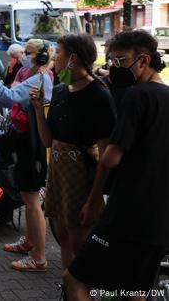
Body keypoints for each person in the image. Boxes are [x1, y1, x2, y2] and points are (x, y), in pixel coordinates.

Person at [64, 30, 169, 299]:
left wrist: (95, 195)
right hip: (159, 218)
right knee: (134, 291)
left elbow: (111, 158)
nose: (114, 68)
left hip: (128, 214)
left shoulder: (137, 97)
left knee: (74, 279)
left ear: (143, 61)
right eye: (110, 61)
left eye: (120, 61)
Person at [28, 34, 115, 273]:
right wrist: (38, 110)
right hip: (57, 172)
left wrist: (94, 198)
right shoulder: (59, 91)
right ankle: (69, 289)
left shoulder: (99, 95)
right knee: (64, 239)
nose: (54, 58)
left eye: (58, 53)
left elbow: (105, 154)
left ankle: (81, 290)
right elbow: (48, 141)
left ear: (73, 58)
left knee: (80, 243)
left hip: (81, 175)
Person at [0, 38, 53, 272]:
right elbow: (5, 99)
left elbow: (11, 97)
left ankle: (39, 257)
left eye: (27, 53)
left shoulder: (40, 78)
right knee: (26, 194)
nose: (23, 57)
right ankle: (29, 241)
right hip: (22, 140)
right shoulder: (28, 73)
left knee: (31, 201)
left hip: (33, 143)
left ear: (40, 57)